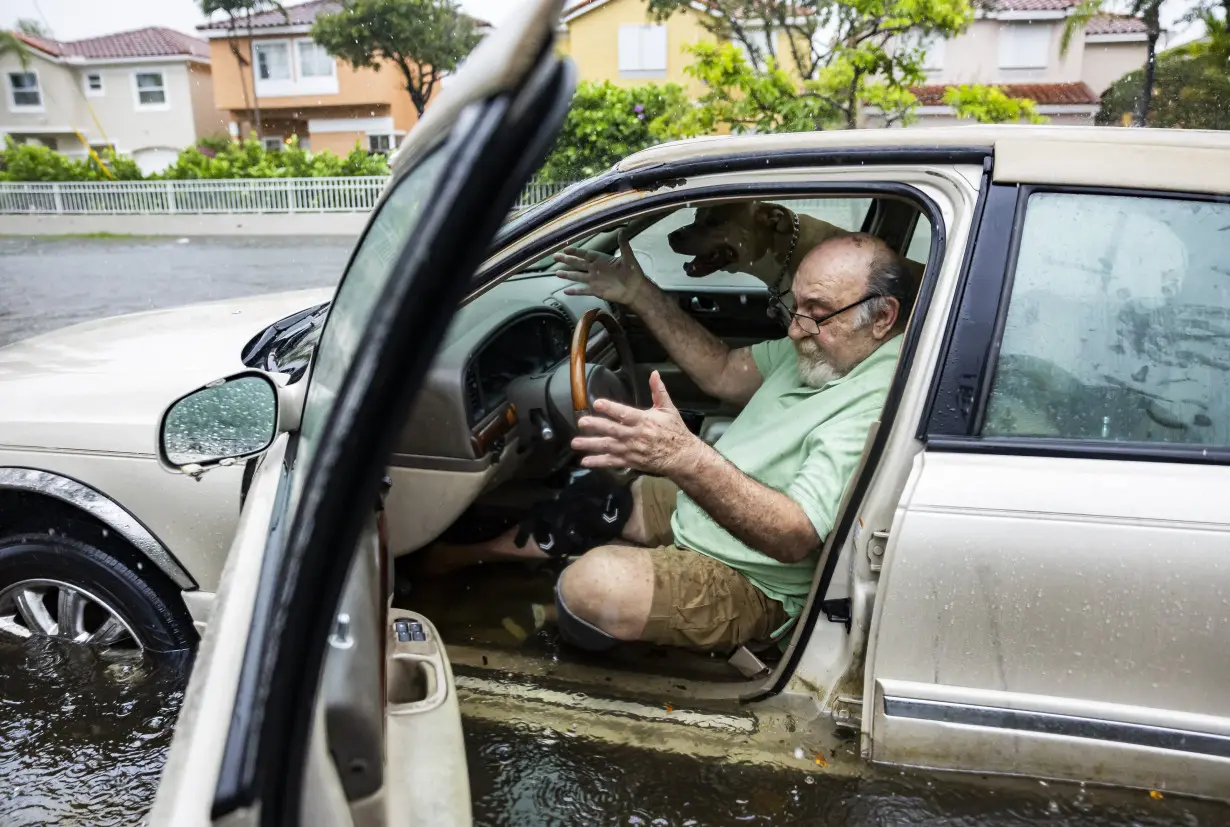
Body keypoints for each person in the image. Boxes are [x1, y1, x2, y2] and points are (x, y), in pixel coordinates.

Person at [425, 226, 913, 653]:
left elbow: (793, 536)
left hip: (753, 578)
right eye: (795, 305)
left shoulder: (879, 395)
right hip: (712, 508)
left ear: (882, 317)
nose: (793, 327)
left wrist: (684, 457)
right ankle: (475, 554)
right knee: (593, 501)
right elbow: (723, 371)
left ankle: (548, 626)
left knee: (589, 585)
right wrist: (638, 292)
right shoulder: (823, 347)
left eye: (816, 312)